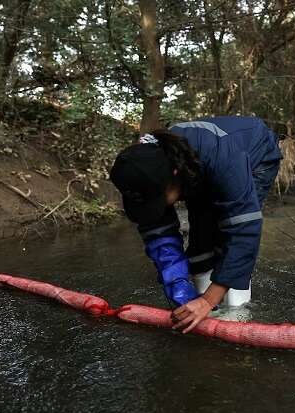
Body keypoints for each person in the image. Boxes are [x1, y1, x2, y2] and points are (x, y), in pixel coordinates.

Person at [110, 116, 282, 333]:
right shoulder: (140, 172)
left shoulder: (222, 158)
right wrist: (177, 285)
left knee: (225, 233)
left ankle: (238, 314)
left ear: (174, 176)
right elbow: (157, 233)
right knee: (201, 239)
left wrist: (208, 301)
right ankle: (205, 309)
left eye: (158, 200)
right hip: (198, 168)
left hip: (256, 152)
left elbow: (244, 231)